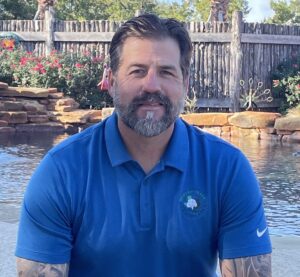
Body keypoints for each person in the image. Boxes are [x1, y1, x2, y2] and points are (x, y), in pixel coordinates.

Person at [15, 14, 272, 276]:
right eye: (137, 71)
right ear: (111, 81)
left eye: (166, 72)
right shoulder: (61, 171)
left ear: (185, 84)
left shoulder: (227, 168)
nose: (152, 85)